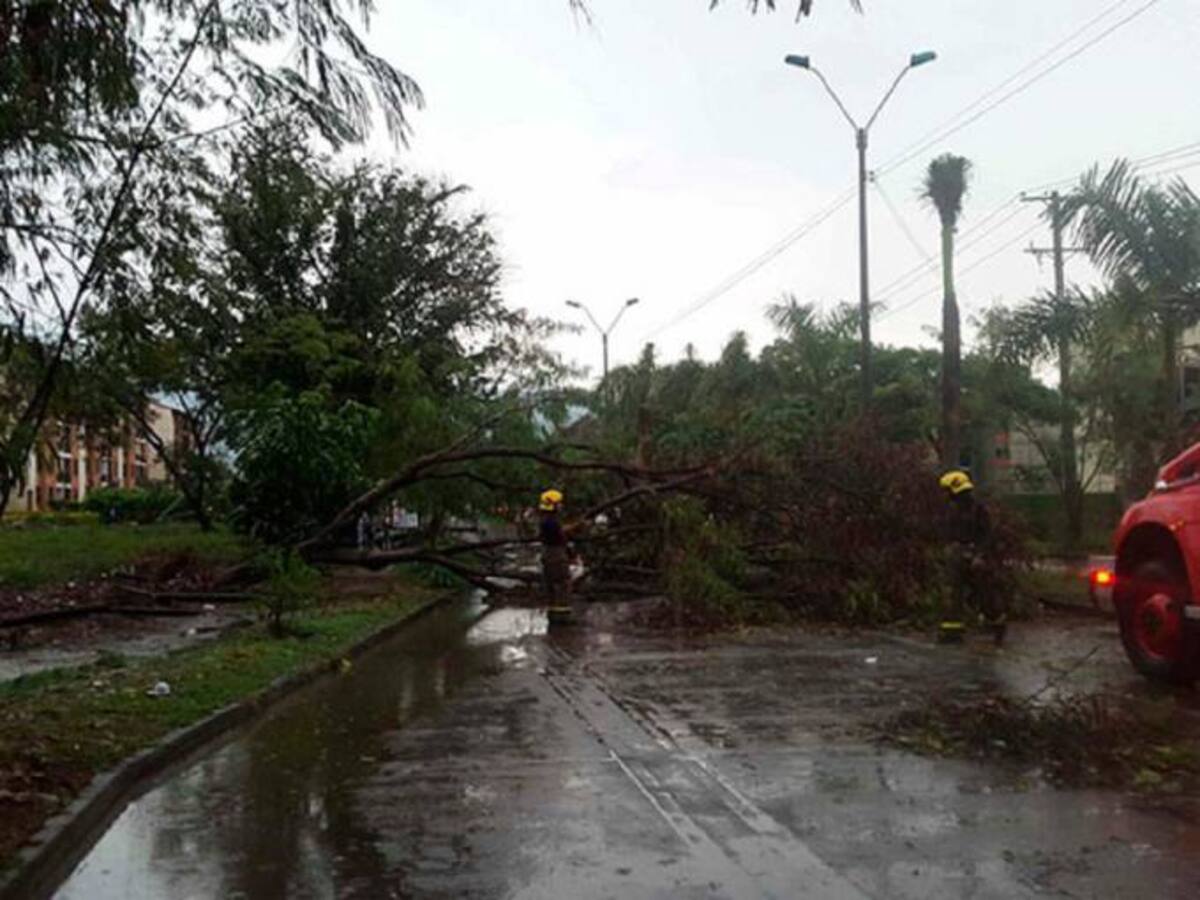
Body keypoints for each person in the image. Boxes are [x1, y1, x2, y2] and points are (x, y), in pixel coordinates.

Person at [939, 470, 1006, 645]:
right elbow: (947, 533)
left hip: (976, 557)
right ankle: (952, 632)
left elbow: (987, 535)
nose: (946, 496)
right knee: (952, 594)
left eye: (948, 491)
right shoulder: (951, 510)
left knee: (983, 593)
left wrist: (979, 556)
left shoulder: (979, 510)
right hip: (956, 557)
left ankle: (997, 624)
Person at [538, 489, 571, 607]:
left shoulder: (546, 520)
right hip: (555, 554)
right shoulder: (551, 522)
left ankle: (553, 612)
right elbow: (560, 534)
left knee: (551, 583)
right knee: (563, 583)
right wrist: (577, 527)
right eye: (559, 503)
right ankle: (562, 613)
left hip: (548, 553)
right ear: (554, 505)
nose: (561, 506)